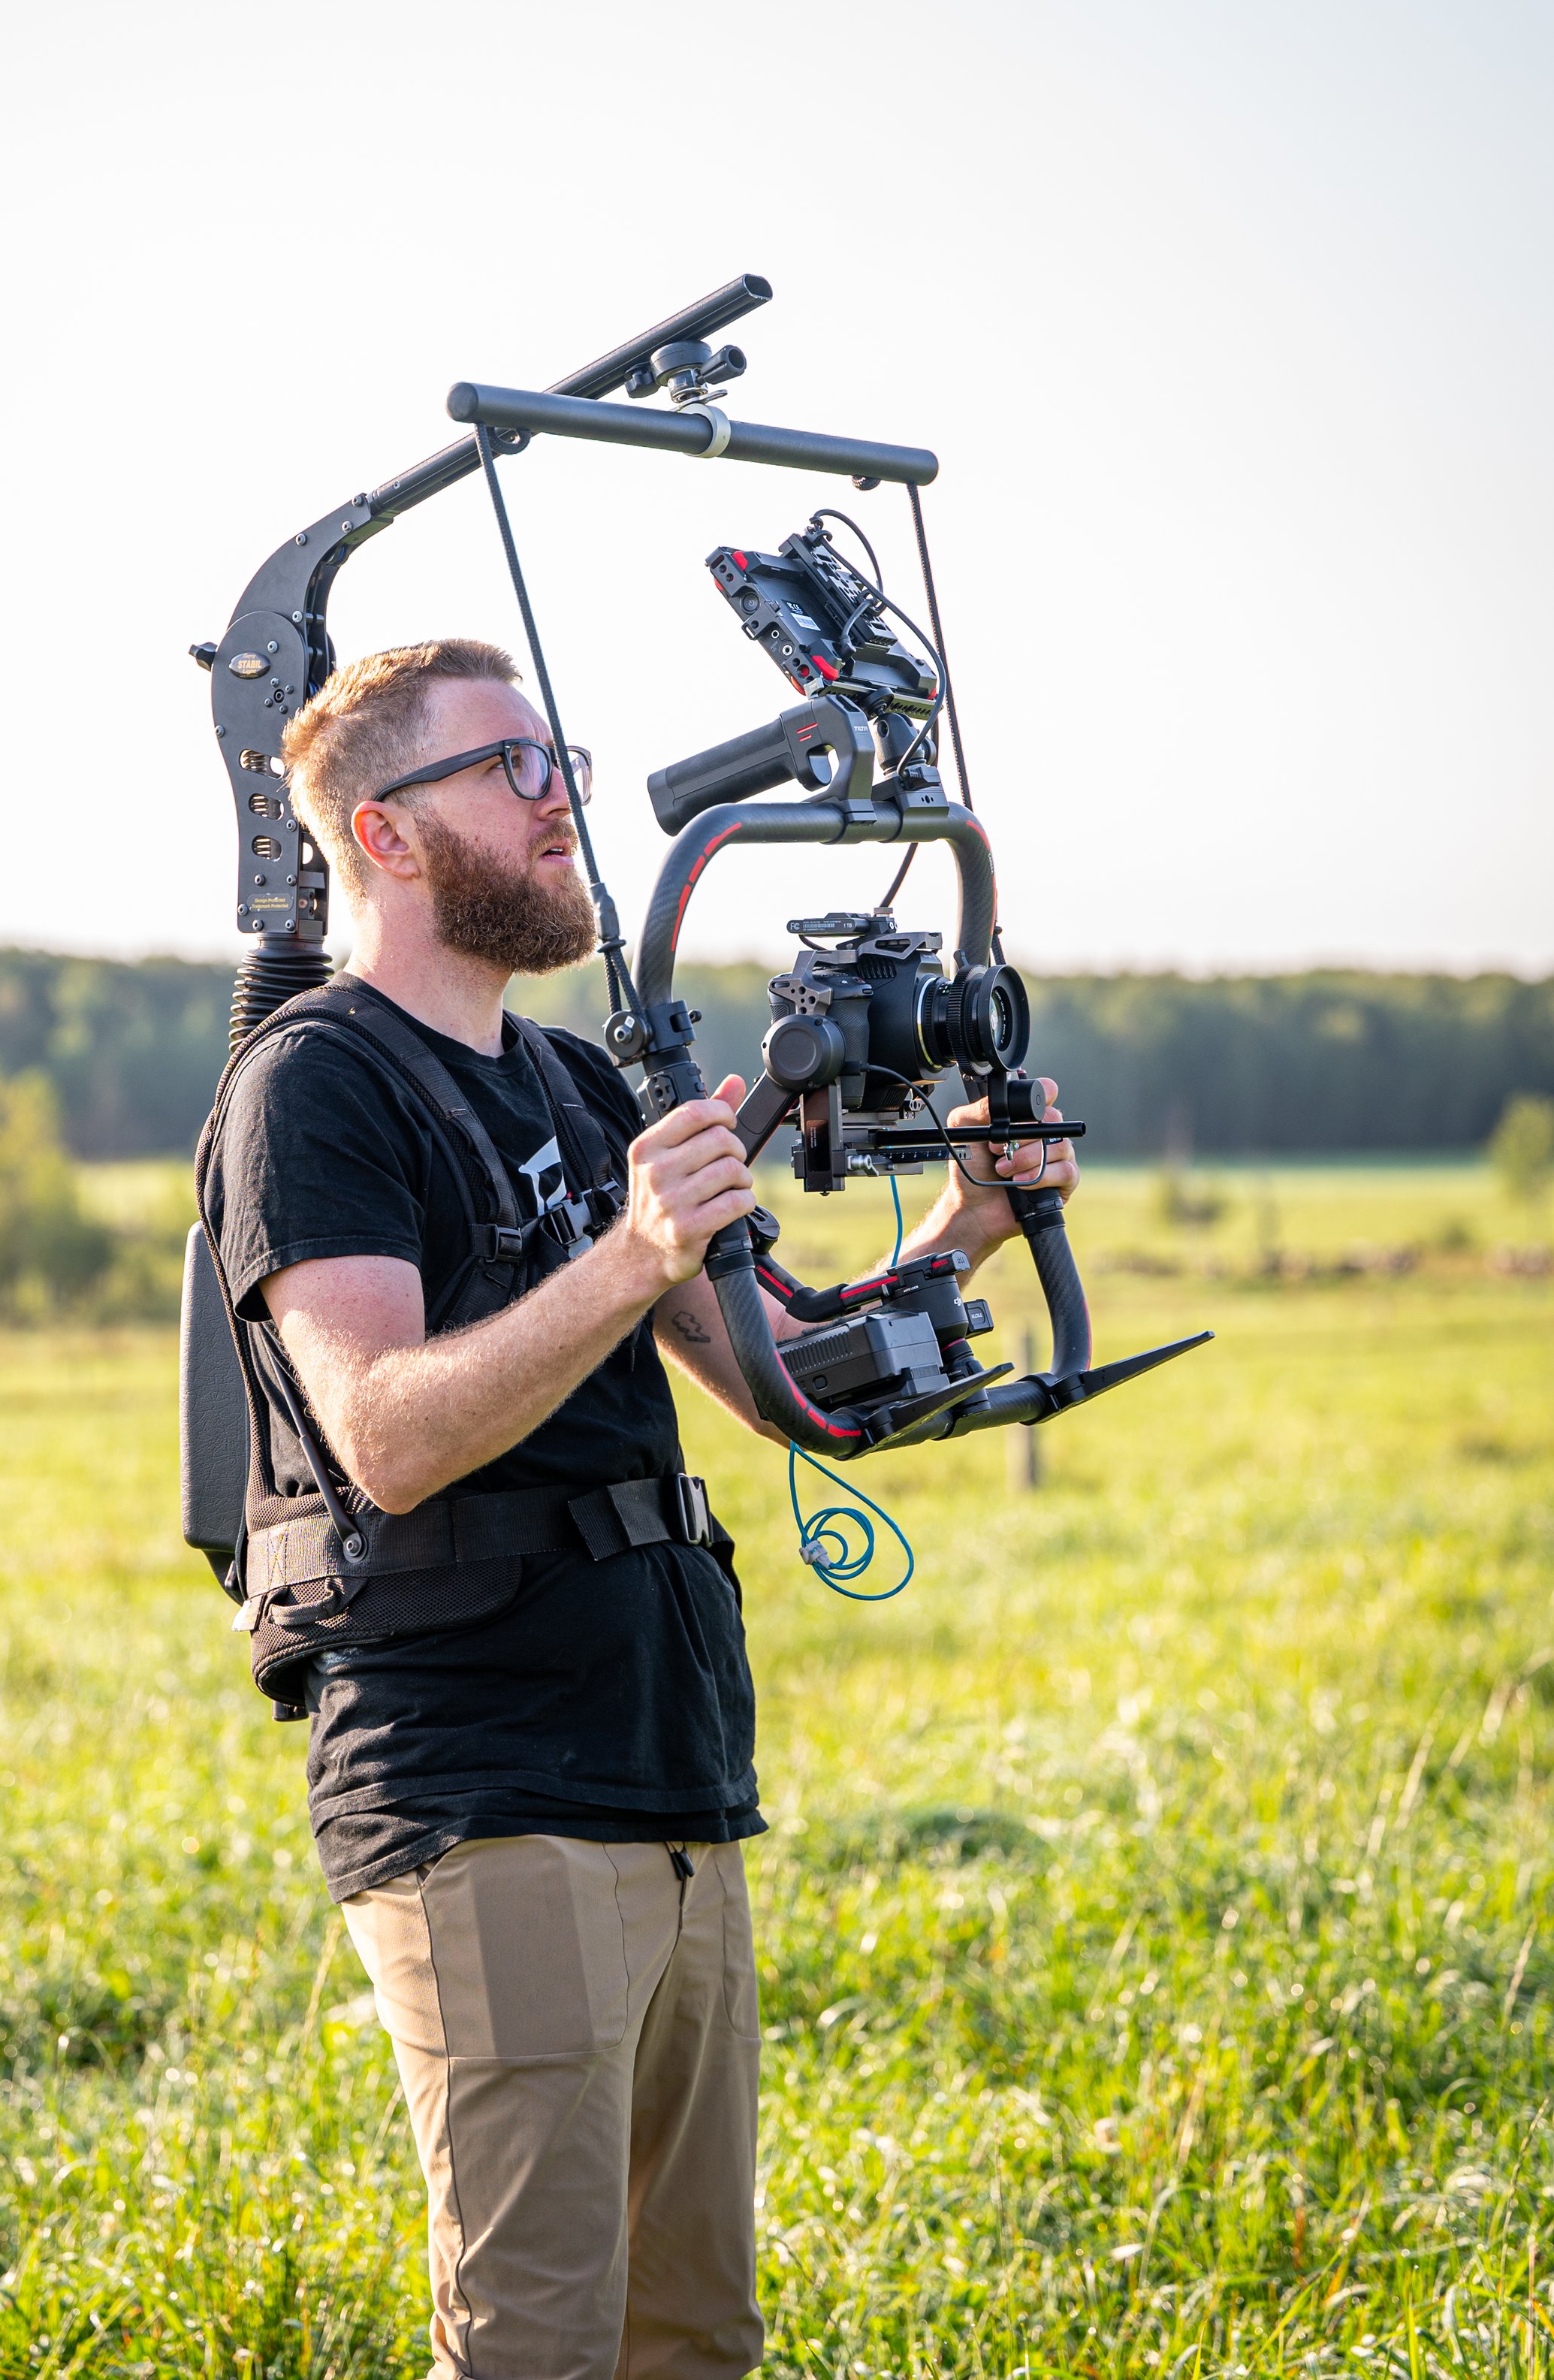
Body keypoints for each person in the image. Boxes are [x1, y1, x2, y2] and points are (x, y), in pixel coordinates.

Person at [201, 637, 1079, 2380]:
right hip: (485, 1785)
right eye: (514, 768)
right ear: (384, 833)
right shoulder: (316, 1081)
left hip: (674, 1765)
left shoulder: (577, 1080)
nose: (565, 803)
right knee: (535, 2341)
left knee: (692, 2333)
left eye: (563, 763)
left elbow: (785, 1377)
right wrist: (627, 1251)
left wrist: (970, 1228)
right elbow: (378, 1430)